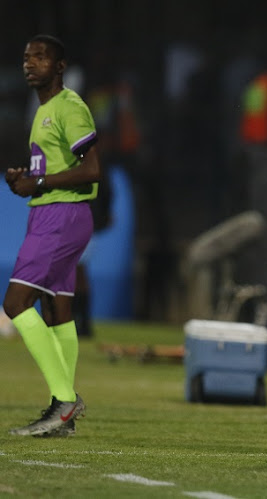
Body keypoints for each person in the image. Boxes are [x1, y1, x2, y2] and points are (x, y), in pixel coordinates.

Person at [3, 35, 100, 436]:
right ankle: (63, 414)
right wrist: (27, 177)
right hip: (53, 212)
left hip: (61, 216)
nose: (31, 64)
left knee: (15, 303)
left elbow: (92, 168)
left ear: (59, 66)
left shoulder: (69, 106)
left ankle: (64, 400)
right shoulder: (44, 109)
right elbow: (53, 166)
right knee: (56, 309)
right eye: (27, 58)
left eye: (41, 57)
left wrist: (38, 182)